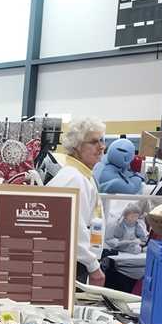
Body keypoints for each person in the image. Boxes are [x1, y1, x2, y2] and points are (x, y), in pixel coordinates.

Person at [47, 117, 106, 286]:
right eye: (94, 142)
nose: (101, 147)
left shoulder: (82, 176)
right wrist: (93, 266)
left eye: (102, 141)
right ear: (77, 146)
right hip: (72, 263)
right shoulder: (74, 179)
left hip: (76, 260)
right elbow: (73, 228)